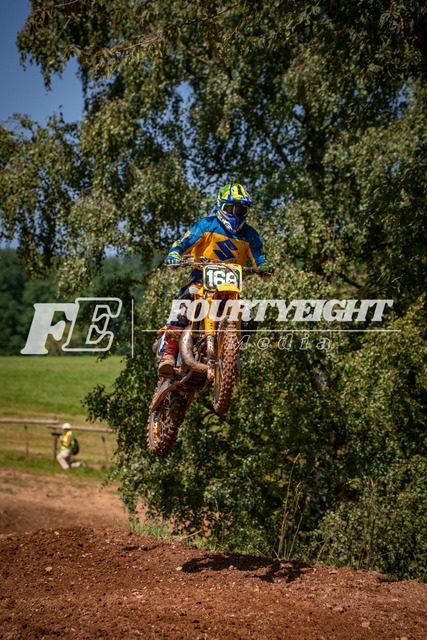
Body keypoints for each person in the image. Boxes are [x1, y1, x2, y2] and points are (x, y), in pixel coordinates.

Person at [158, 183, 274, 376]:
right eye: (231, 208)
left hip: (230, 284)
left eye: (240, 210)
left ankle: (229, 355)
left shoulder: (251, 235)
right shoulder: (206, 225)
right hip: (200, 278)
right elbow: (184, 243)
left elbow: (259, 258)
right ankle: (168, 355)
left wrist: (264, 268)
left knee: (248, 320)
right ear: (221, 206)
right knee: (183, 306)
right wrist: (175, 253)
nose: (235, 214)